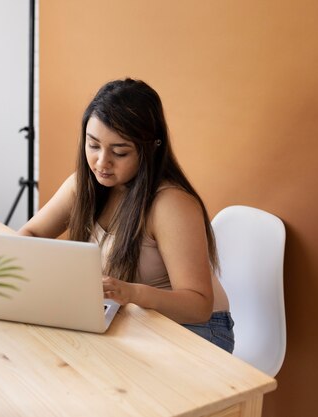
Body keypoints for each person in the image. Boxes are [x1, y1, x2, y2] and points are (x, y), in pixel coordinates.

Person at [18, 78, 234, 353]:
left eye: (119, 152)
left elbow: (199, 306)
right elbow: (31, 234)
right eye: (93, 145)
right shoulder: (84, 186)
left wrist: (131, 293)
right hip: (135, 318)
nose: (101, 162)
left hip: (199, 330)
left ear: (150, 149)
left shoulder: (170, 204)